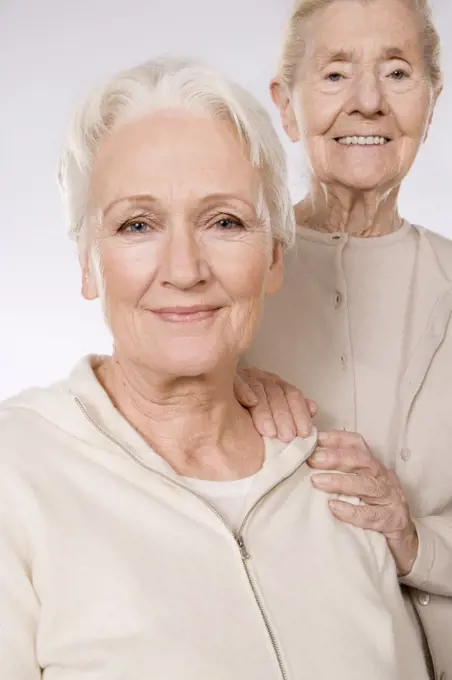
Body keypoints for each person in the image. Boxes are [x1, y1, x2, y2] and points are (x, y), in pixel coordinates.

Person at [0, 57, 429, 679]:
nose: (184, 269)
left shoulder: (340, 482)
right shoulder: (15, 476)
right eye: (137, 224)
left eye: (224, 221)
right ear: (89, 264)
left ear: (275, 257)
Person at [237, 1, 451, 678]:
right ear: (287, 106)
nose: (368, 103)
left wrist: (414, 539)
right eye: (334, 75)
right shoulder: (222, 285)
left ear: (432, 98)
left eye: (396, 72)